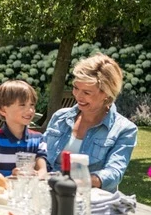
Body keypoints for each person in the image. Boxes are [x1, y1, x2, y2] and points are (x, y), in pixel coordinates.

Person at [44, 52, 138, 192]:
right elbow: (42, 156)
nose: (78, 96)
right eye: (76, 88)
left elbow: (113, 173)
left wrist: (75, 181)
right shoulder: (60, 117)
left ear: (106, 93)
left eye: (87, 92)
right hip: (50, 192)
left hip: (91, 199)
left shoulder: (125, 129)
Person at [0, 80, 48, 177]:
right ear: (3, 110)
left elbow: (42, 170)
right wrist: (11, 177)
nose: (30, 110)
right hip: (3, 186)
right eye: (22, 105)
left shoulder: (38, 139)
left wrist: (35, 176)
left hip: (29, 186)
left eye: (32, 105)